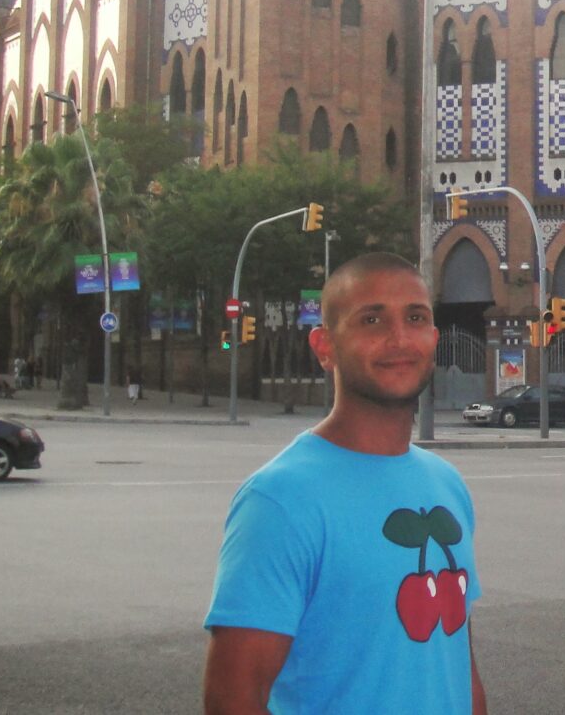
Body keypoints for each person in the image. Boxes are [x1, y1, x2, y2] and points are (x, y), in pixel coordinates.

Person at [203, 253, 487, 714]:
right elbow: (233, 696)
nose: (399, 338)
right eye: (372, 319)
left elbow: (456, 664)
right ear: (324, 346)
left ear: (433, 338)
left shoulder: (446, 484)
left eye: (415, 318)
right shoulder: (279, 500)